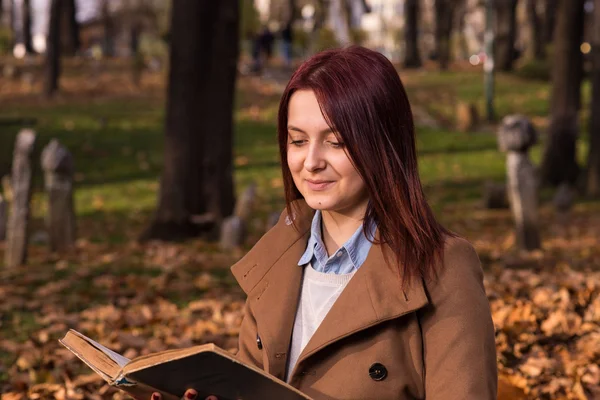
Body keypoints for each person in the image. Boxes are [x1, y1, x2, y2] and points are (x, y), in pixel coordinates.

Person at [152, 46, 498, 400]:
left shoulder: (440, 268)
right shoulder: (277, 256)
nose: (311, 162)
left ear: (382, 143)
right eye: (298, 141)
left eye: (336, 142)